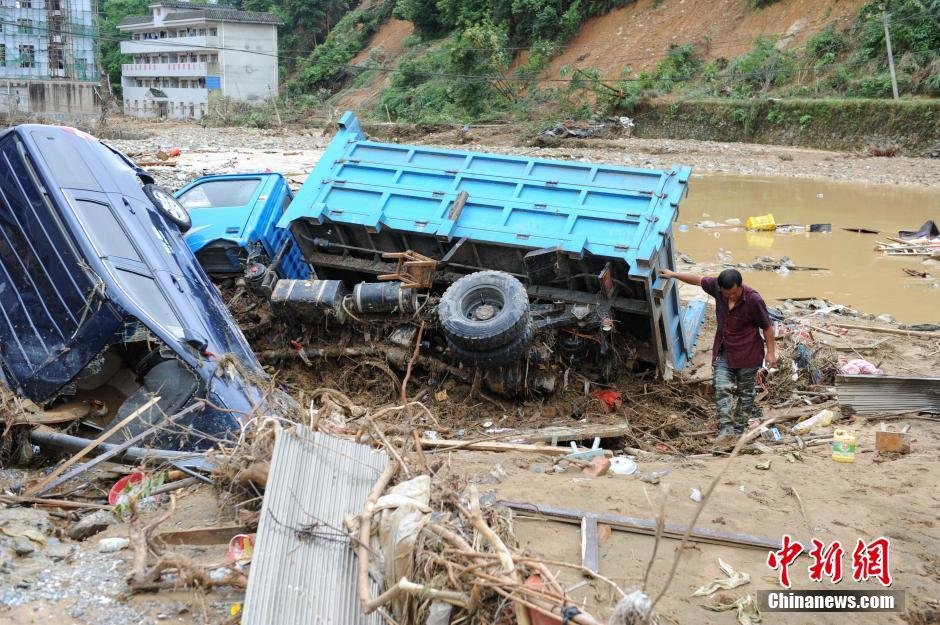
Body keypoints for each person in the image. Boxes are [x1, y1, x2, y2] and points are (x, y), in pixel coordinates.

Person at [659, 267, 776, 440]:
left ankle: (738, 430)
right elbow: (698, 280)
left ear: (740, 286)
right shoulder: (716, 287)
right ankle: (726, 430)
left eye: (734, 293)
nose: (730, 297)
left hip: (748, 353)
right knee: (721, 388)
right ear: (720, 288)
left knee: (745, 394)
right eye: (727, 294)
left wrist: (771, 352)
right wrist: (673, 275)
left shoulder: (753, 299)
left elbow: (767, 327)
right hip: (724, 351)